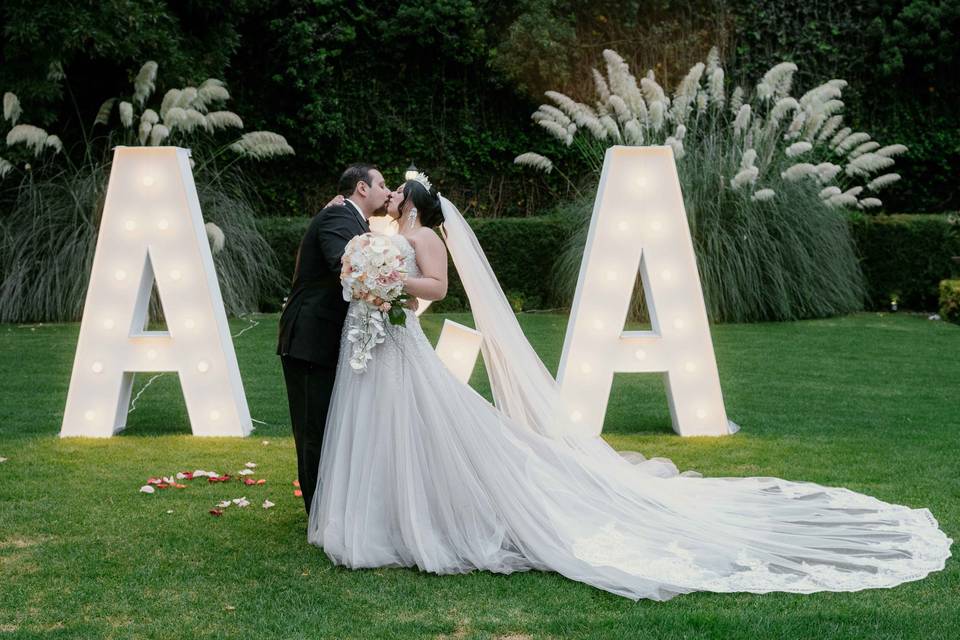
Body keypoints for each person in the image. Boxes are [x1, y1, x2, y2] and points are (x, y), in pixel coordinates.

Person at [307, 176, 952, 601]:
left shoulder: (420, 238)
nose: (387, 196)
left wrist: (386, 284)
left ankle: (421, 518)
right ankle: (379, 515)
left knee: (427, 425)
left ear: (410, 201)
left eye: (395, 193)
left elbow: (440, 291)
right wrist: (372, 280)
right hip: (377, 340)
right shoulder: (384, 238)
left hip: (392, 338)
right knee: (388, 425)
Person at [276, 163, 390, 514]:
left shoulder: (354, 221)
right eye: (382, 184)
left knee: (328, 427)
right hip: (310, 339)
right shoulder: (338, 217)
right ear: (361, 188)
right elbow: (345, 267)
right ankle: (318, 513)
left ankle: (332, 506)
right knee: (313, 431)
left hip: (326, 340)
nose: (387, 191)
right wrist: (392, 284)